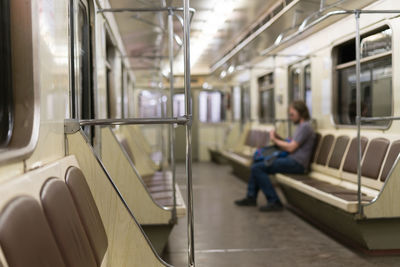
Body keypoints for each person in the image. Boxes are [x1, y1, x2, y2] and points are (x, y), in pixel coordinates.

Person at [235, 100, 316, 212]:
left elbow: (291, 147)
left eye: (292, 115)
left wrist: (274, 140)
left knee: (257, 168)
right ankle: (251, 197)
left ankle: (274, 201)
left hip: (297, 163)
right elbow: (292, 144)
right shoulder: (302, 127)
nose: (290, 117)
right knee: (256, 164)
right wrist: (278, 138)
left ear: (301, 113)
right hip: (291, 159)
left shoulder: (305, 127)